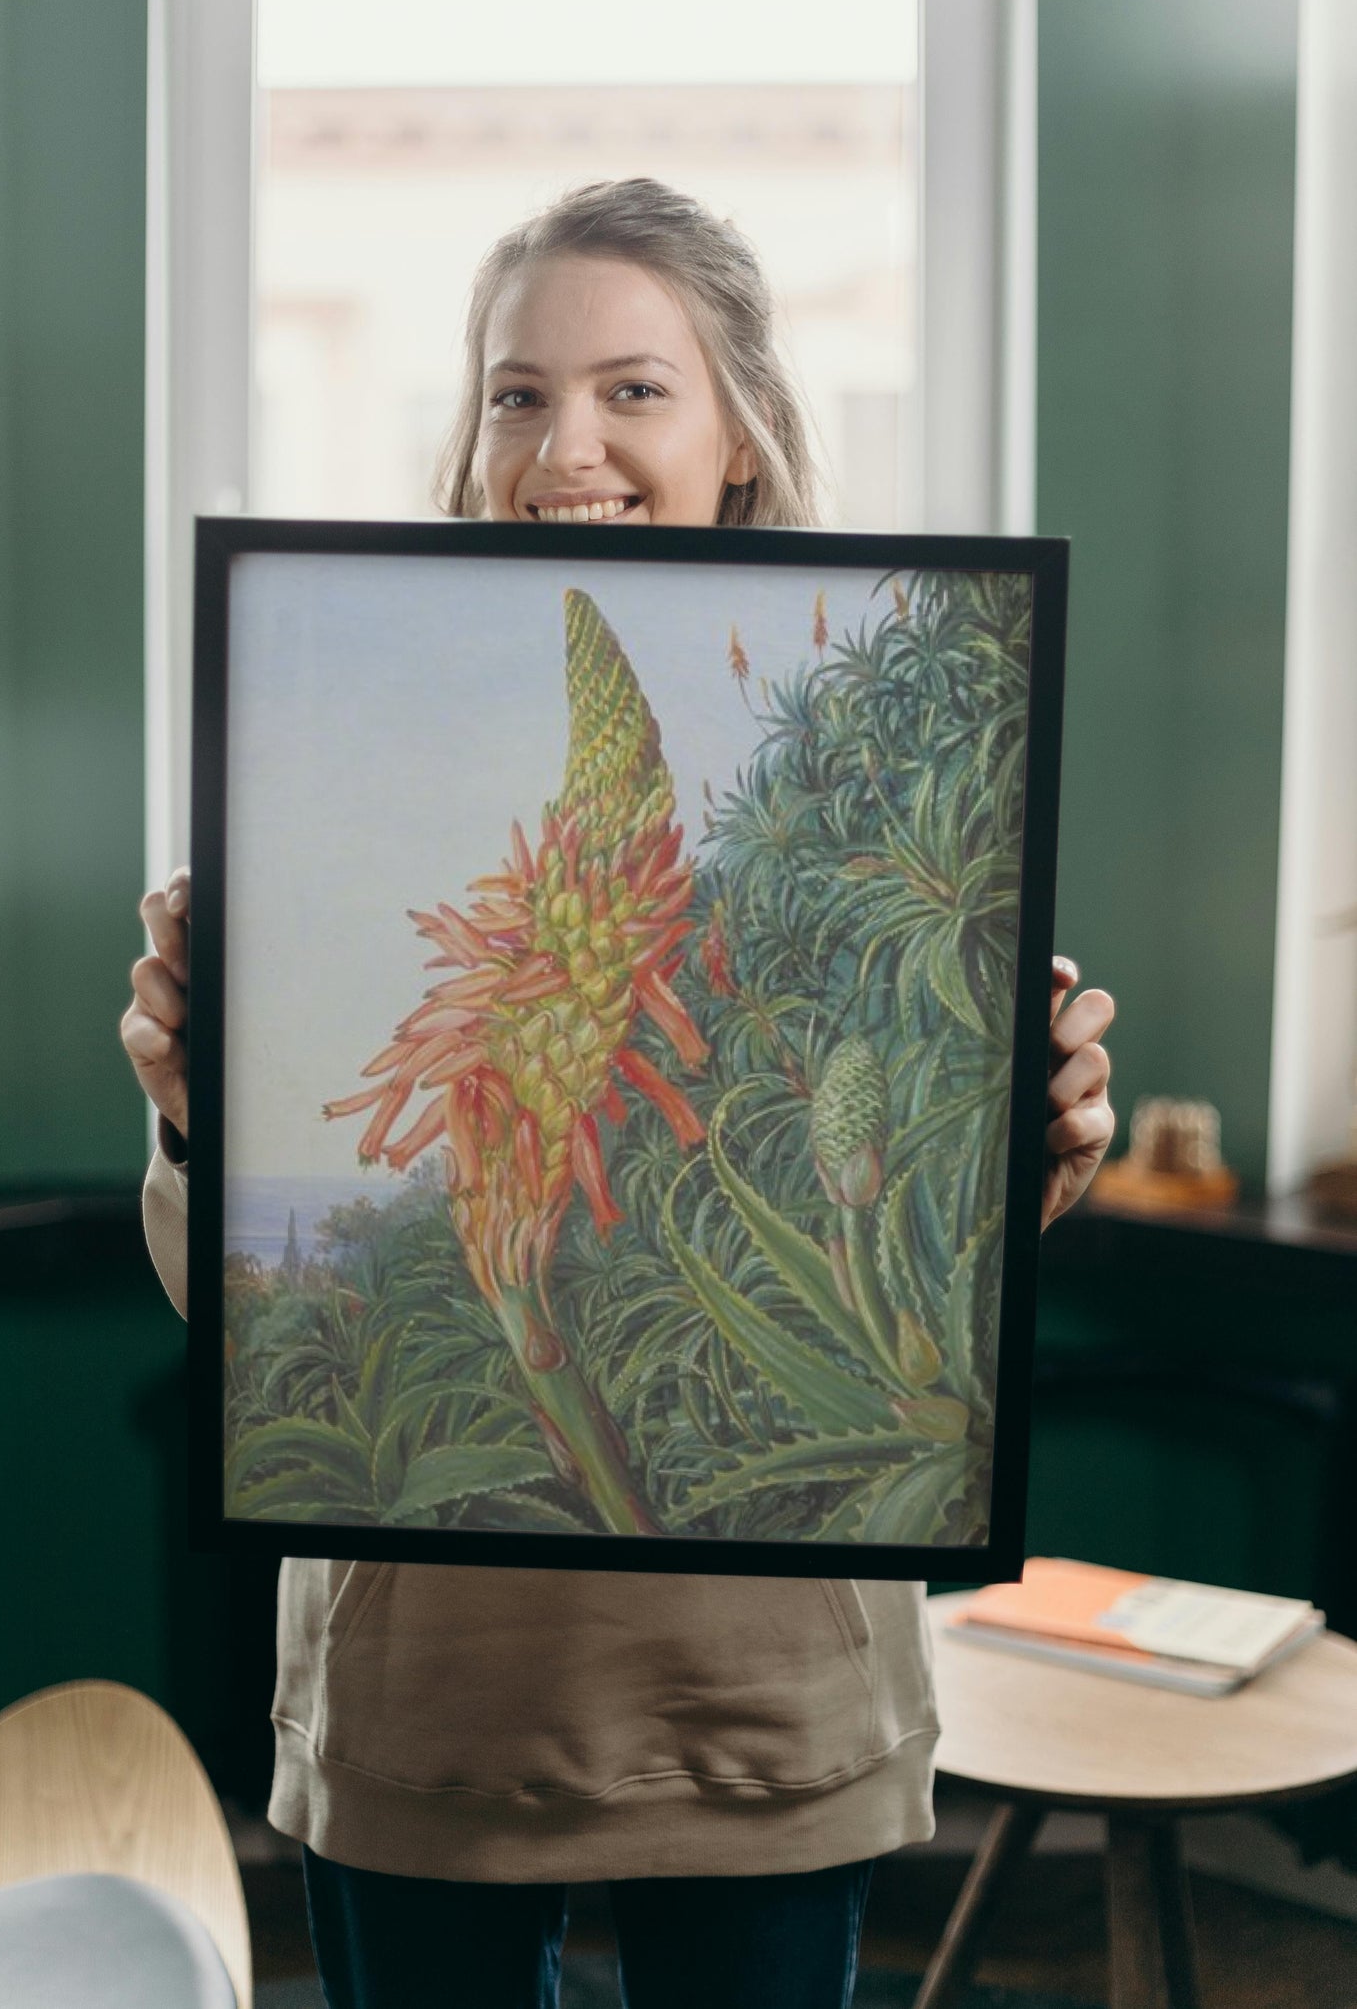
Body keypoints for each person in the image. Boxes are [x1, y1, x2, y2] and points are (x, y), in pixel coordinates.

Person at [122, 178, 1116, 2009]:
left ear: (739, 431)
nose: (561, 443)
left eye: (631, 390)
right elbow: (246, 1318)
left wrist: (1023, 1149)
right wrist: (194, 1116)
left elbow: (906, 1247)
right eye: (516, 392)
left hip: (762, 1696)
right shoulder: (316, 701)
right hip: (429, 1700)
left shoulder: (867, 748)